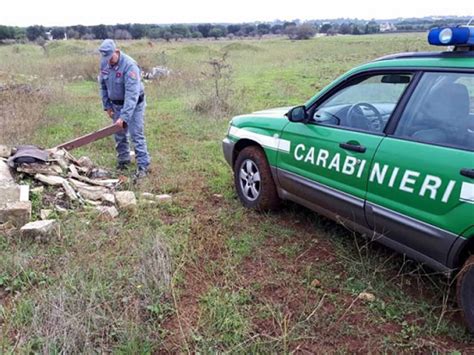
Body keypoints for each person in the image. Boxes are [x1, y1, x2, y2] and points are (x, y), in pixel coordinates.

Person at [98, 39, 151, 179]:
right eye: (105, 58)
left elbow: (132, 95)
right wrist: (107, 106)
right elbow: (103, 86)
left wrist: (125, 117)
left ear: (116, 51)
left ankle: (143, 166)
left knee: (136, 134)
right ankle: (123, 161)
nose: (108, 61)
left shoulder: (129, 66)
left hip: (134, 105)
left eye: (110, 57)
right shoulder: (104, 63)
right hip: (116, 105)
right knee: (119, 133)